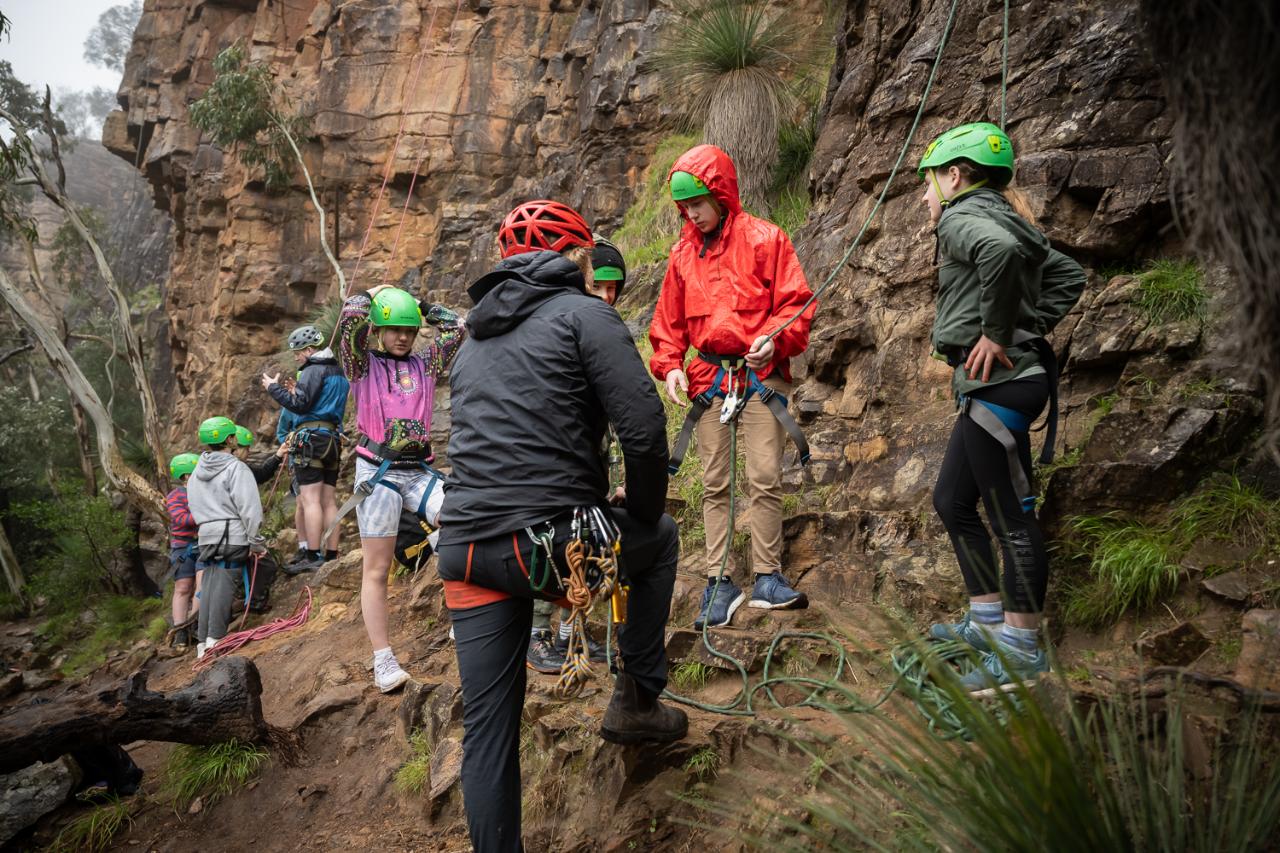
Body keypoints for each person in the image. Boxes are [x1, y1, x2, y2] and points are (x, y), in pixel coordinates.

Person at [438, 200, 686, 852]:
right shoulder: (586, 313)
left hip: (464, 550)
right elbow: (644, 428)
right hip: (550, 545)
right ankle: (635, 700)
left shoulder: (469, 345)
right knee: (657, 540)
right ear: (575, 256)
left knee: (489, 727)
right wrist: (639, 509)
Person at [917, 121, 1085, 690]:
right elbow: (1067, 274)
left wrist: (998, 333)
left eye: (927, 183)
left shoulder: (965, 217)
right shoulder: (1004, 213)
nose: (924, 196)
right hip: (993, 385)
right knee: (952, 499)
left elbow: (1000, 252)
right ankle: (989, 618)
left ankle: (1021, 649)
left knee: (1011, 515)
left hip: (999, 385)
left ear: (954, 176)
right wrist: (1026, 328)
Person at [649, 144, 816, 630]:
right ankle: (719, 584)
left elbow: (796, 305)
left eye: (698, 202)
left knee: (765, 475)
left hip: (762, 377)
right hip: (708, 379)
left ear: (720, 193)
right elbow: (668, 325)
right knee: (715, 483)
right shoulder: (682, 255)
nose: (692, 213)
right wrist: (671, 366)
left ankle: (767, 577)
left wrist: (775, 339)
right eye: (685, 206)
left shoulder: (767, 239)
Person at [336, 285, 466, 692]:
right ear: (377, 329)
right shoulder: (360, 365)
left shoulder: (426, 364)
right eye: (393, 328)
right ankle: (383, 659)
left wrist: (421, 305)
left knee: (465, 523)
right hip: (377, 472)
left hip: (421, 472)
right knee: (376, 568)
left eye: (409, 329)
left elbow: (457, 328)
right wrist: (366, 294)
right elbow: (347, 329)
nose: (403, 337)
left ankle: (462, 619)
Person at [526, 234, 626, 674]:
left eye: (613, 288)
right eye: (597, 287)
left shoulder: (600, 328)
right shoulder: (561, 328)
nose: (606, 296)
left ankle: (571, 631)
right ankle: (535, 634)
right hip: (550, 463)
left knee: (581, 543)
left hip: (589, 461)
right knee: (545, 542)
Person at [262, 324, 350, 573]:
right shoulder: (339, 373)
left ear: (309, 350)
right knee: (329, 500)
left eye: (298, 353)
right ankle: (331, 553)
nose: (297, 358)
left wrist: (273, 388)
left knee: (310, 499)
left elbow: (299, 405)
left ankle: (312, 556)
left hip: (310, 439)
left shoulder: (313, 370)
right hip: (332, 438)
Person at [187, 416, 264, 659]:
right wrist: (256, 541)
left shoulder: (197, 470)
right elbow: (249, 508)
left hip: (206, 534)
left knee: (209, 581)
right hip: (232, 534)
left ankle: (203, 642)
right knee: (224, 581)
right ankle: (216, 638)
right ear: (230, 439)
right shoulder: (236, 467)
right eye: (233, 437)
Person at [165, 453, 200, 649]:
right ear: (186, 475)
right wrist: (207, 513)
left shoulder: (204, 491)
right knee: (183, 587)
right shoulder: (175, 496)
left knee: (201, 586)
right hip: (184, 547)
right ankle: (180, 631)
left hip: (204, 543)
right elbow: (181, 519)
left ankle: (195, 622)